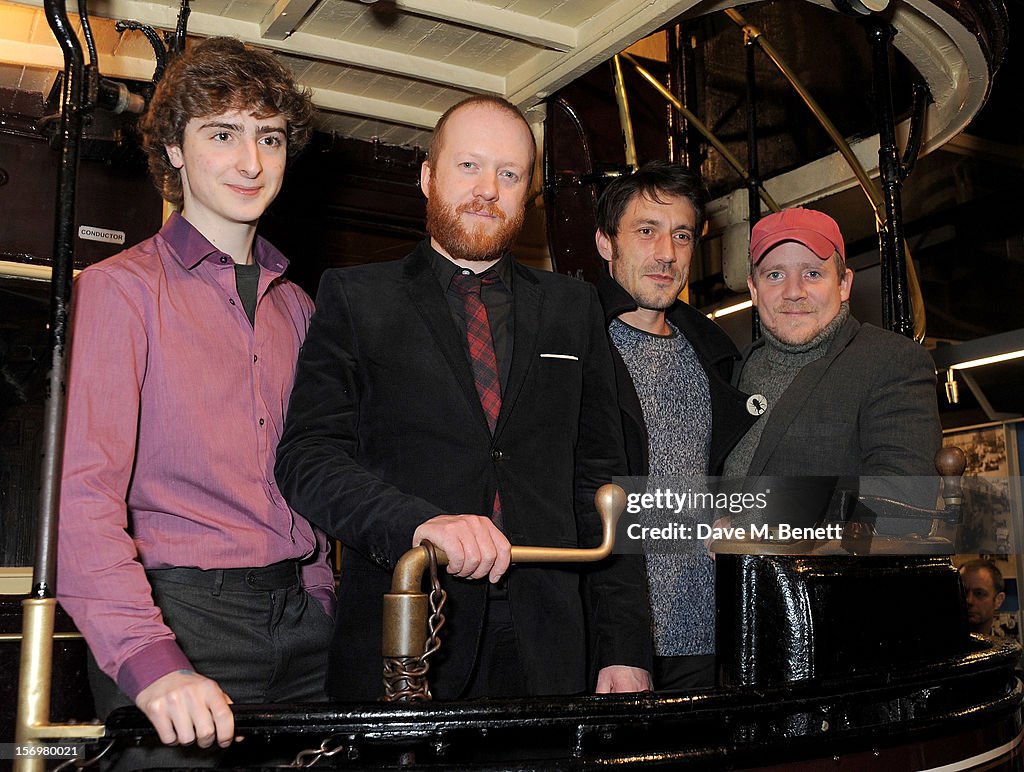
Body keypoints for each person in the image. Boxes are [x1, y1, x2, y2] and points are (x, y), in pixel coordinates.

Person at [275, 95, 652, 701]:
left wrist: (624, 647)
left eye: (509, 174)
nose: (487, 190)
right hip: (403, 633)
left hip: (549, 645)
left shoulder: (572, 307)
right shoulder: (354, 297)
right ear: (428, 176)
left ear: (528, 192)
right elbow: (307, 459)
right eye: (468, 166)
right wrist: (418, 526)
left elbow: (605, 482)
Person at [57, 37, 334, 764]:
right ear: (175, 151)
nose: (250, 162)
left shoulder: (298, 307)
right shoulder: (119, 291)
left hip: (305, 627)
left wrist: (323, 593)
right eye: (222, 133)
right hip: (181, 621)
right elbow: (81, 499)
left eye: (268, 137)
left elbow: (314, 474)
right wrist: (152, 663)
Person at [594, 161, 755, 690]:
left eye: (681, 235)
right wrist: (615, 642)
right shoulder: (573, 350)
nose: (666, 253)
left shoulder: (716, 354)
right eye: (646, 231)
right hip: (609, 638)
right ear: (605, 242)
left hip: (711, 633)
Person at [723, 208, 942, 524]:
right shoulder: (736, 369)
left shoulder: (891, 362)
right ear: (754, 290)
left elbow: (903, 507)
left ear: (843, 284)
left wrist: (752, 523)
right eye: (775, 275)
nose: (794, 292)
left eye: (812, 273)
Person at [960, 559, 1006, 635]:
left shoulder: (1008, 646)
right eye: (963, 592)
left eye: (979, 593)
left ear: (998, 600)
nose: (968, 600)